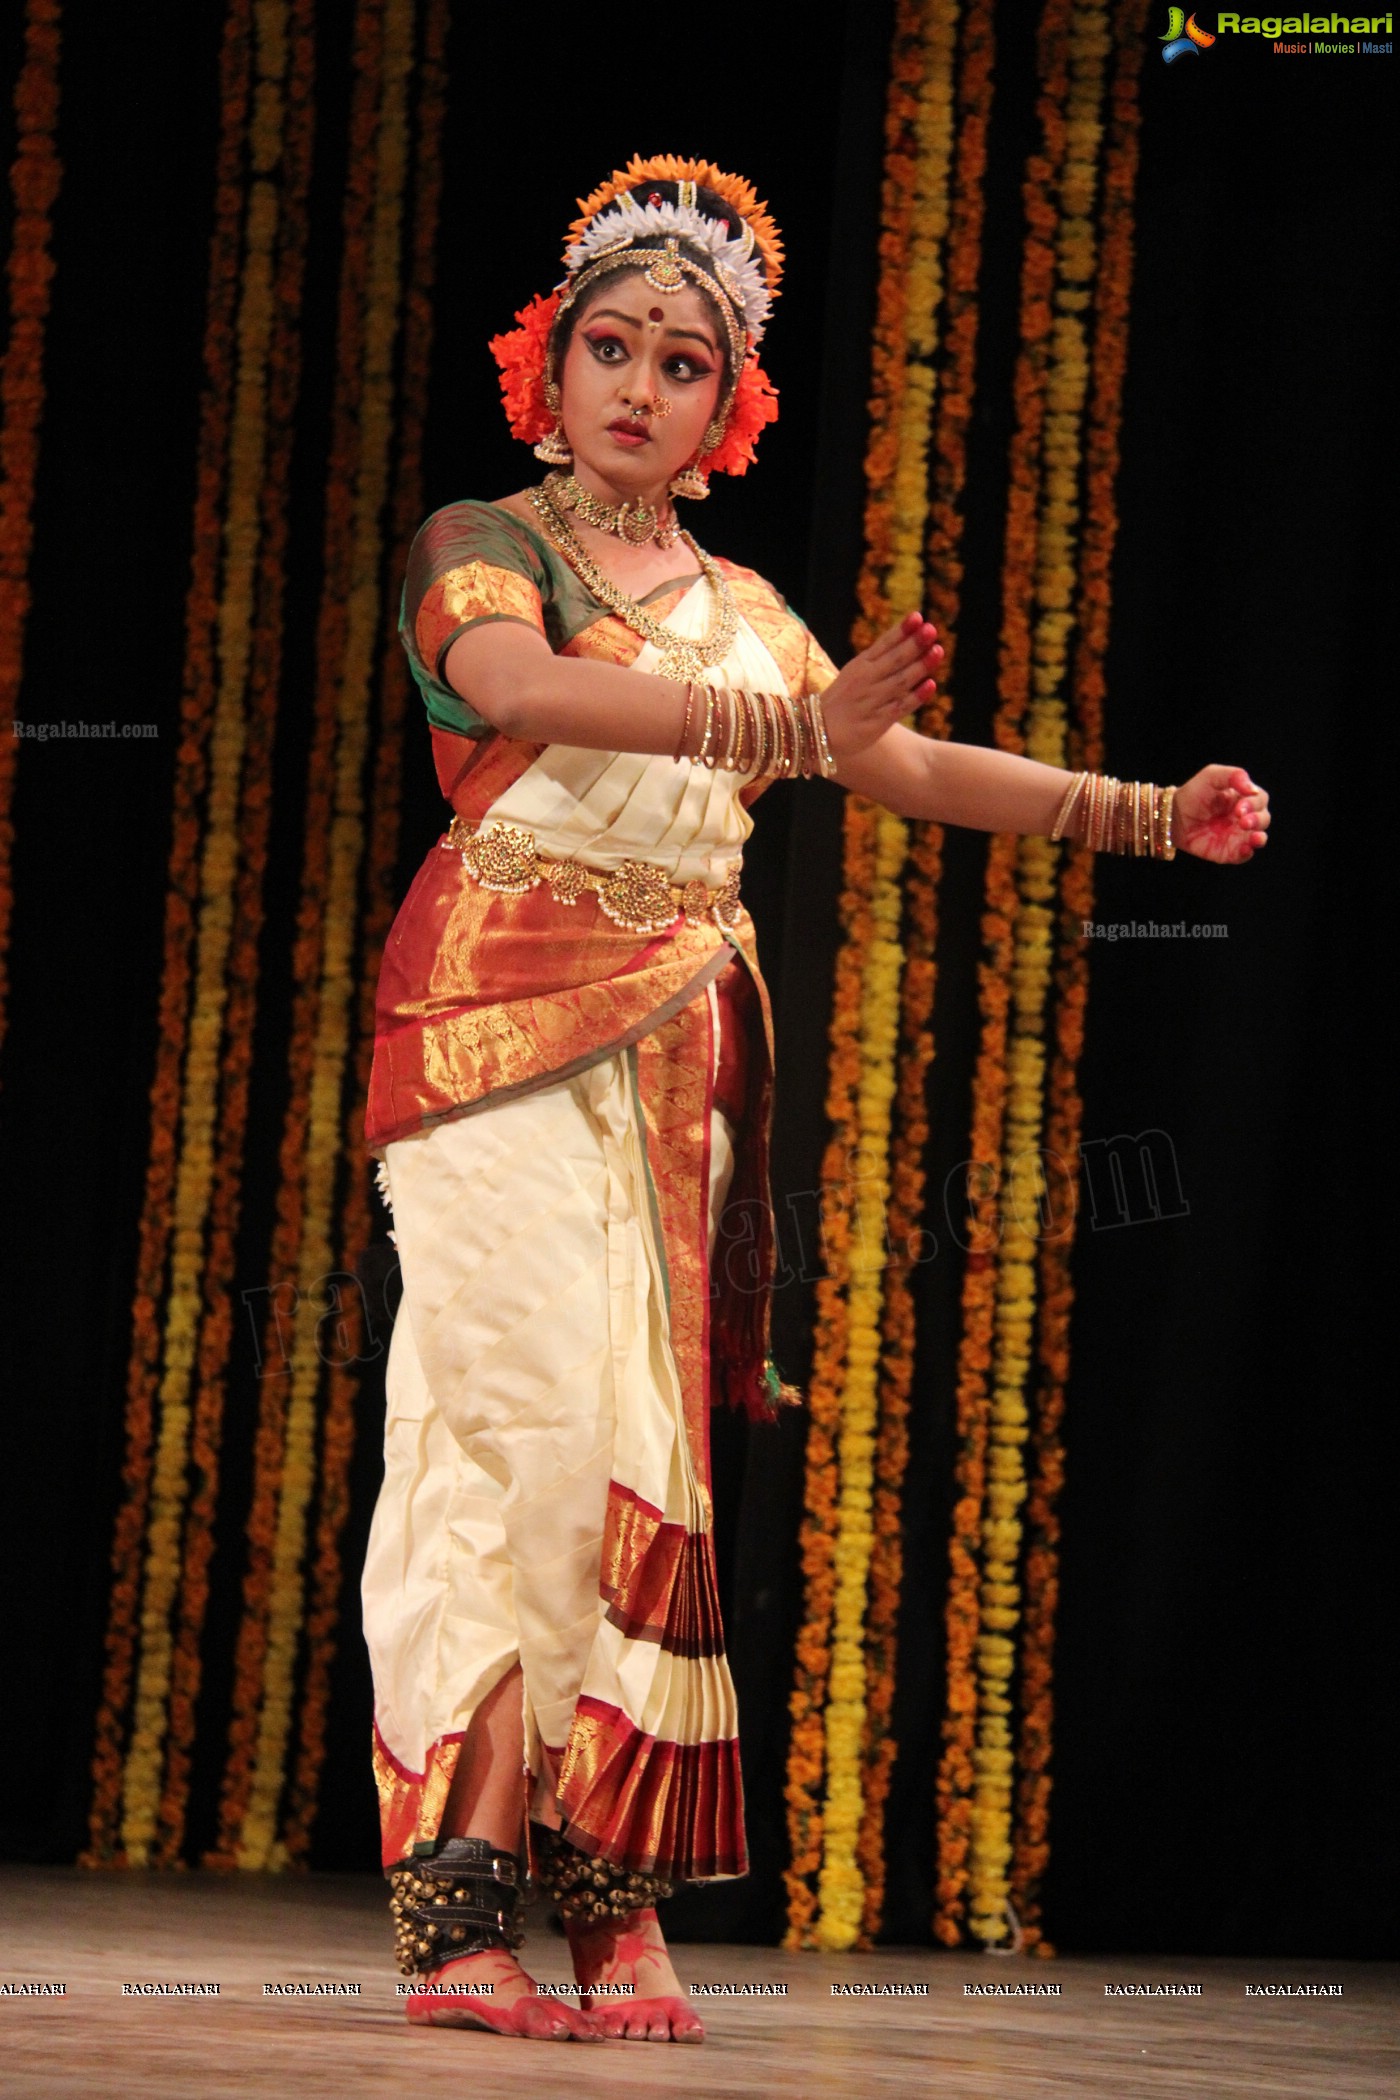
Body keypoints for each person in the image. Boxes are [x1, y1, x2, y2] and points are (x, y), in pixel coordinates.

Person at [359, 155, 1270, 2046]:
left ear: (727, 408)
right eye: (607, 345)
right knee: (520, 1427)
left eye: (681, 363)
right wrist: (793, 733)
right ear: (549, 367)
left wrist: (1142, 813)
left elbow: (910, 766)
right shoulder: (486, 543)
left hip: (677, 1063)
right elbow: (516, 685)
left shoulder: (754, 608)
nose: (637, 384)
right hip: (487, 1031)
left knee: (634, 1441)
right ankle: (475, 1891)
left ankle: (595, 1901)